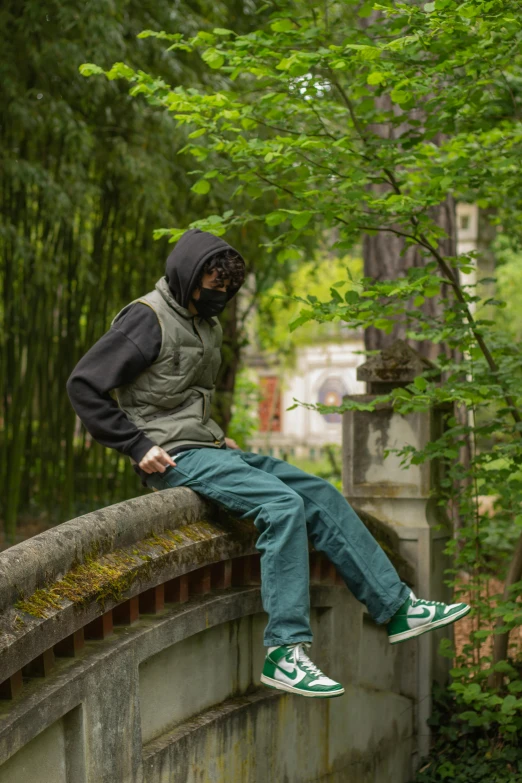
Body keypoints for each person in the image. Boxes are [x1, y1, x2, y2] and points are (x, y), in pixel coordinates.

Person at [67, 228, 471, 700]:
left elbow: (181, 394)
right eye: (212, 286)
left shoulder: (208, 325)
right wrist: (135, 446)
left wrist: (215, 432)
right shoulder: (147, 319)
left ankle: (397, 607)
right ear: (188, 278)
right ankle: (285, 651)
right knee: (281, 506)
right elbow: (84, 385)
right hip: (171, 455)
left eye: (227, 290)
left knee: (318, 493)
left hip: (209, 447)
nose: (220, 296)